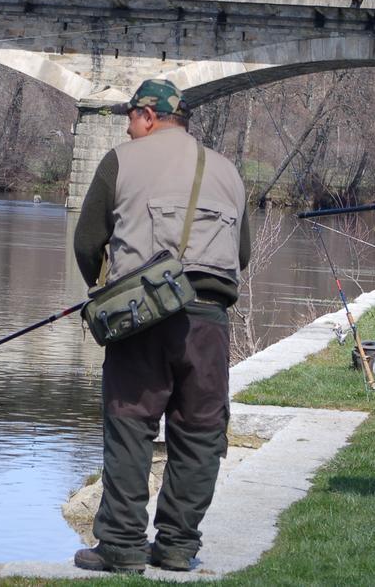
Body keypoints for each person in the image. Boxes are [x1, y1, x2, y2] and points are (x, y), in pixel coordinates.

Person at [72, 79, 250, 573]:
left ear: (149, 116)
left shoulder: (122, 160)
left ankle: (123, 546)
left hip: (142, 319)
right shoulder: (229, 170)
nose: (128, 129)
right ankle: (176, 547)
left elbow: (87, 240)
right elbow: (243, 255)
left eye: (130, 118)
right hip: (208, 321)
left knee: (131, 426)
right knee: (200, 433)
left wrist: (102, 291)